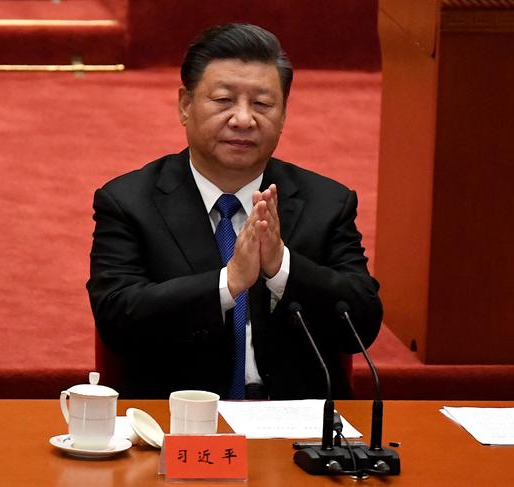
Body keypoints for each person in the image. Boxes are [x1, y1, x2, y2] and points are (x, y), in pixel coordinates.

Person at [87, 23, 382, 400]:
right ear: (185, 105)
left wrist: (282, 268)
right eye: (224, 100)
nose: (243, 119)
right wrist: (227, 284)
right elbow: (117, 317)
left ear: (284, 114)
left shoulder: (327, 202)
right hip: (179, 425)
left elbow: (363, 323)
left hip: (294, 429)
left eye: (262, 104)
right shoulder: (129, 202)